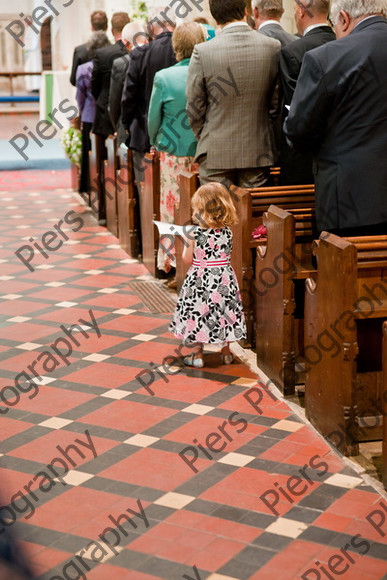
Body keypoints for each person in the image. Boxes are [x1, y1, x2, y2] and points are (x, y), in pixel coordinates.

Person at [284, 0, 387, 235]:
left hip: (350, 204)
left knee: (343, 270)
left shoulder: (326, 57)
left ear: (343, 18)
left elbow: (298, 131)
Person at [186, 0, 281, 189]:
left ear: (214, 16)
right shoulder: (272, 47)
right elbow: (275, 103)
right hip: (257, 149)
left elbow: (194, 106)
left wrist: (207, 134)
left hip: (215, 151)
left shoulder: (203, 51)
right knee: (253, 215)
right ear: (246, 10)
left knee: (217, 216)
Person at [148, 22, 205, 275]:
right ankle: (200, 259)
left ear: (176, 47)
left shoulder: (164, 77)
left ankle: (171, 264)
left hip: (172, 153)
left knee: (171, 208)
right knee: (198, 208)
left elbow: (153, 119)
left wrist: (154, 140)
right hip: (202, 150)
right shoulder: (205, 72)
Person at [170, 183, 247, 368]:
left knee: (198, 312)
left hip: (200, 279)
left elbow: (187, 259)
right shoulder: (227, 232)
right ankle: (226, 353)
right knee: (224, 311)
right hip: (224, 278)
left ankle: (198, 355)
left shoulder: (194, 233)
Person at [279, 0, 335, 185]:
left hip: (302, 161)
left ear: (301, 12)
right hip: (339, 154)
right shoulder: (343, 44)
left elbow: (293, 109)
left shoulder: (292, 52)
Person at [121, 6, 177, 190]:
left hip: (144, 134)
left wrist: (128, 124)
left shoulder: (139, 54)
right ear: (175, 25)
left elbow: (129, 96)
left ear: (151, 28)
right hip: (179, 134)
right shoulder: (187, 50)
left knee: (147, 192)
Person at [76, 32, 110, 196]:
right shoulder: (111, 63)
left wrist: (82, 112)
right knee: (107, 154)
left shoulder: (83, 69)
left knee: (89, 153)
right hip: (107, 116)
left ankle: (88, 186)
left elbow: (80, 96)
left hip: (89, 115)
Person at [91, 12, 130, 139]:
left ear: (112, 31)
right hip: (129, 113)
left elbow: (94, 85)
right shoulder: (136, 52)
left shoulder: (101, 54)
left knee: (103, 155)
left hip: (104, 113)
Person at [109, 21, 148, 147]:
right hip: (152, 129)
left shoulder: (120, 64)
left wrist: (119, 125)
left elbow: (114, 102)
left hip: (128, 129)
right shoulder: (155, 57)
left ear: (124, 42)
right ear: (146, 39)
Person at [70, 11, 108, 86]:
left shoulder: (80, 51)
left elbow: (74, 80)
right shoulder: (114, 51)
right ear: (107, 27)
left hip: (87, 95)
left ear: (91, 27)